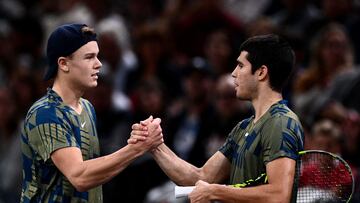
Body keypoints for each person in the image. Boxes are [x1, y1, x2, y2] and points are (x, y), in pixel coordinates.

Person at [130, 34, 304, 202]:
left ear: (261, 72)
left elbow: (279, 195)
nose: (234, 73)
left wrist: (216, 191)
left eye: (241, 66)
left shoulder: (280, 123)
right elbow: (201, 177)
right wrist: (154, 144)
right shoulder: (244, 127)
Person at [19, 23, 163, 203]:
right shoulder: (45, 114)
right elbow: (80, 177)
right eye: (89, 57)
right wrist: (136, 148)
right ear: (63, 64)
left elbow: (95, 172)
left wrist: (136, 142)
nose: (99, 64)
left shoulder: (87, 107)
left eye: (97, 56)